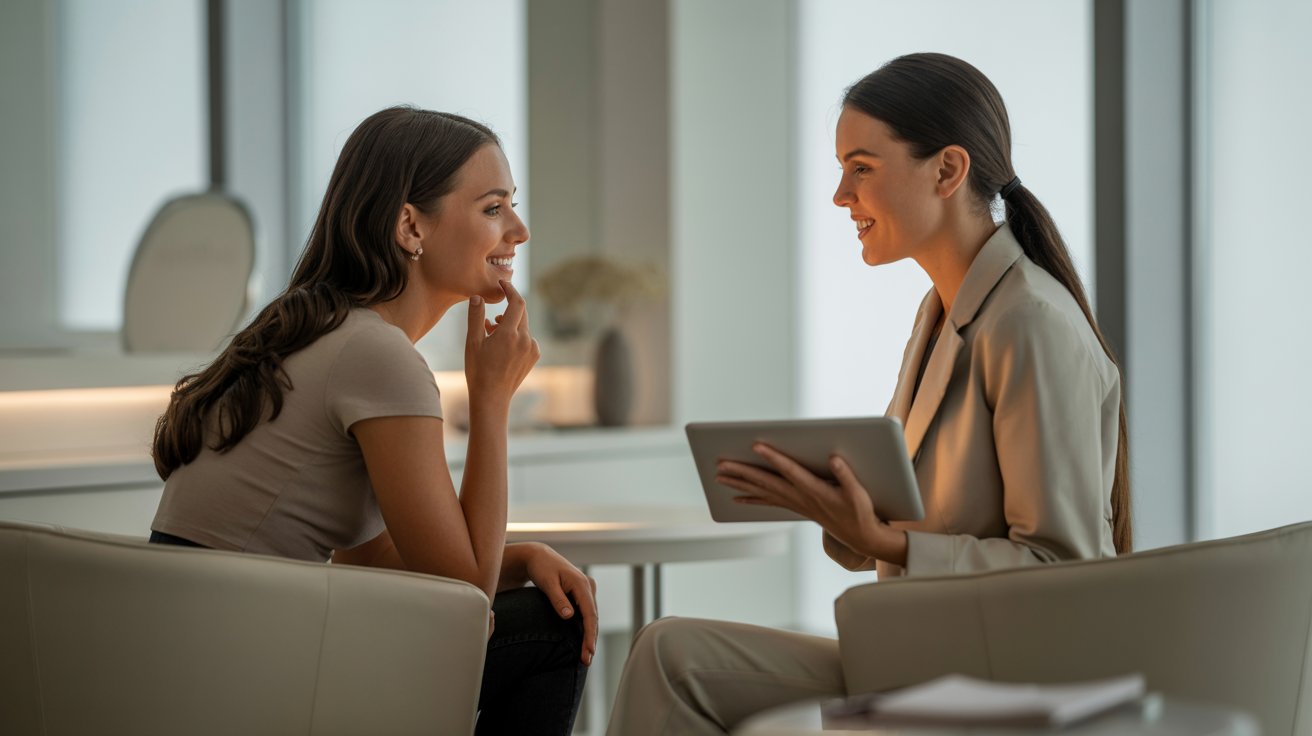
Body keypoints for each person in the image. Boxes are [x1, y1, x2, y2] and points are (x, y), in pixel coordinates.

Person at [605, 52, 1132, 735]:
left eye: (861, 168)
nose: (839, 195)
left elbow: (1061, 570)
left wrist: (882, 539)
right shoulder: (940, 311)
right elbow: (906, 523)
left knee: (673, 659)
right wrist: (837, 510)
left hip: (1002, 674)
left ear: (947, 170)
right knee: (669, 650)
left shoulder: (1028, 322)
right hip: (934, 652)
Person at [148, 106, 596, 735]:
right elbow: (461, 600)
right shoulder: (376, 356)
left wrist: (521, 557)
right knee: (557, 625)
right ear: (410, 226)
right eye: (493, 208)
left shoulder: (318, 329)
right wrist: (489, 400)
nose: (518, 230)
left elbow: (367, 559)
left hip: (191, 661)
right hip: (249, 677)